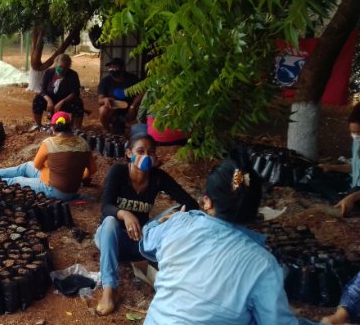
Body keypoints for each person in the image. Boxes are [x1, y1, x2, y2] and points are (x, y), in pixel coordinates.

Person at [139, 156, 322, 324]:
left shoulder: (179, 223)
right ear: (254, 211)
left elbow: (146, 241)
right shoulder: (263, 264)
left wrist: (165, 220)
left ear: (207, 201)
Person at [94, 133, 199, 316]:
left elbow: (190, 203)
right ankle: (109, 289)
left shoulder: (158, 177)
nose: (146, 156)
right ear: (129, 153)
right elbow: (106, 207)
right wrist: (124, 214)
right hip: (111, 239)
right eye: (140, 151)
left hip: (140, 240)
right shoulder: (118, 172)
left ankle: (176, 274)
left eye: (150, 152)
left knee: (178, 210)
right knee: (110, 221)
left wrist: (171, 219)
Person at [0, 111, 95, 199]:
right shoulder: (83, 143)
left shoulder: (49, 143)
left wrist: (49, 166)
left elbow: (37, 165)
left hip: (53, 190)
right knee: (27, 166)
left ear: (53, 127)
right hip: (72, 190)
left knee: (15, 181)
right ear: (70, 126)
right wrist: (76, 176)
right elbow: (93, 169)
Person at [30, 54, 85, 132]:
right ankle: (38, 125)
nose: (62, 69)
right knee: (38, 99)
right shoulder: (49, 72)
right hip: (51, 101)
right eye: (60, 67)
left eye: (65, 67)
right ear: (56, 64)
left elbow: (75, 92)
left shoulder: (73, 75)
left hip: (66, 101)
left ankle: (76, 128)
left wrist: (62, 101)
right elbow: (43, 90)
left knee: (78, 102)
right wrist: (49, 100)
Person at [97, 57, 141, 133]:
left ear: (122, 68)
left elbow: (142, 93)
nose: (112, 69)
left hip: (131, 106)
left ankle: (134, 127)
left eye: (115, 67)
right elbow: (100, 100)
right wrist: (105, 99)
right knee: (103, 110)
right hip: (116, 105)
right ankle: (108, 130)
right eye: (110, 67)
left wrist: (133, 106)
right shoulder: (105, 81)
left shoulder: (132, 78)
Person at [335, 103, 360, 217]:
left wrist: (353, 197)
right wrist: (330, 167)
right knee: (316, 179)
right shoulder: (356, 142)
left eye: (358, 132)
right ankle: (342, 200)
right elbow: (354, 167)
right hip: (354, 184)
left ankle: (343, 201)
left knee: (350, 194)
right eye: (353, 132)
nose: (355, 135)